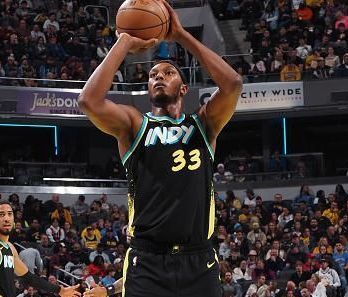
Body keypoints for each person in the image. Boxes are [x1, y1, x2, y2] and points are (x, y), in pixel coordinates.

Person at [78, 0, 242, 296]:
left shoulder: (204, 124)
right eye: (153, 74)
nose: (158, 77)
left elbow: (232, 84)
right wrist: (125, 41)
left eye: (168, 72)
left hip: (199, 260)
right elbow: (88, 101)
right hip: (147, 261)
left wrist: (180, 35)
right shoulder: (134, 123)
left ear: (183, 88)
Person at [0, 200, 80, 297]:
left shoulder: (10, 247)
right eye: (1, 214)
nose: (7, 218)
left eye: (9, 214)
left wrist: (60, 290)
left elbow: (28, 277)